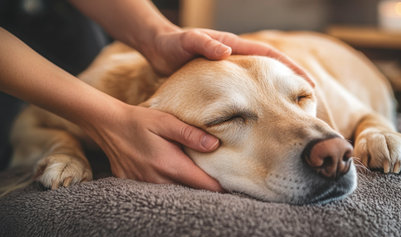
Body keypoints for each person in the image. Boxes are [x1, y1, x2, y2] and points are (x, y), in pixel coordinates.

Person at [0, 0, 308, 192]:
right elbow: (31, 121)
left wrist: (157, 36)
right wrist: (99, 124)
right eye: (229, 117)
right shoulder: (102, 82)